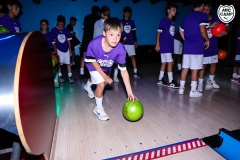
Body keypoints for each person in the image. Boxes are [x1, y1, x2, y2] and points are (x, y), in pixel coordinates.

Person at [84, 17, 137, 121]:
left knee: (95, 79)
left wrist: (129, 91)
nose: (115, 38)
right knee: (101, 83)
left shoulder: (121, 48)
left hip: (105, 66)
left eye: (118, 34)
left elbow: (124, 70)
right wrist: (105, 77)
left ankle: (88, 85)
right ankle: (98, 108)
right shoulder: (94, 44)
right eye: (111, 34)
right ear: (104, 33)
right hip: (92, 64)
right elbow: (93, 62)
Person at [179, 0, 209, 97]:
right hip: (197, 46)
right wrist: (207, 39)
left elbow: (180, 30)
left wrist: (186, 39)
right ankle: (192, 91)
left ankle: (181, 89)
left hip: (187, 47)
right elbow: (202, 30)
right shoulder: (203, 15)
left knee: (185, 68)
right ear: (202, 5)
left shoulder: (187, 17)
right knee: (195, 69)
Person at [197, 1, 229, 92]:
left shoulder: (215, 18)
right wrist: (210, 26)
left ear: (210, 9)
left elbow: (226, 27)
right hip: (203, 46)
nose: (206, 10)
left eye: (208, 8)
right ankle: (200, 83)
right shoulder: (200, 18)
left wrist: (224, 33)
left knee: (213, 64)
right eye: (205, 8)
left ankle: (211, 81)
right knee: (203, 66)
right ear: (202, 8)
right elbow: (198, 30)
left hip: (214, 45)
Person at [155, 3, 179, 88]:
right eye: (173, 9)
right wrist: (157, 44)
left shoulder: (172, 22)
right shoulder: (164, 20)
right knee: (170, 62)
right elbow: (158, 32)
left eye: (175, 9)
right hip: (165, 46)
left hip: (168, 46)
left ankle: (160, 79)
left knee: (164, 63)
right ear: (168, 10)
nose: (175, 11)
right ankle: (171, 81)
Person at [116, 6, 142, 82]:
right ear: (123, 13)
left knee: (133, 57)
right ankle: (117, 74)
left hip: (130, 42)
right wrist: (121, 40)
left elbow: (134, 33)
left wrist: (135, 41)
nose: (127, 14)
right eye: (126, 13)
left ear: (130, 14)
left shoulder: (132, 22)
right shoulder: (120, 22)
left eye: (128, 13)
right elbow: (118, 32)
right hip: (122, 43)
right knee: (120, 59)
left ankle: (135, 72)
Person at [51, 15, 74, 84]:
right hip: (58, 49)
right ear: (57, 22)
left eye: (62, 24)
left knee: (68, 63)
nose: (61, 25)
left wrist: (70, 51)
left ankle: (70, 77)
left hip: (66, 49)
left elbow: (69, 41)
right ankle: (60, 77)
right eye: (60, 23)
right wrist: (55, 51)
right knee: (59, 64)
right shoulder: (53, 30)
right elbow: (53, 42)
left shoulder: (66, 30)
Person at [79, 6, 100, 79]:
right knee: (96, 57)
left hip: (85, 39)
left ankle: (81, 73)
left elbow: (84, 28)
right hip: (94, 39)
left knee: (84, 55)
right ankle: (95, 73)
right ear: (98, 12)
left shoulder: (86, 17)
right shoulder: (99, 19)